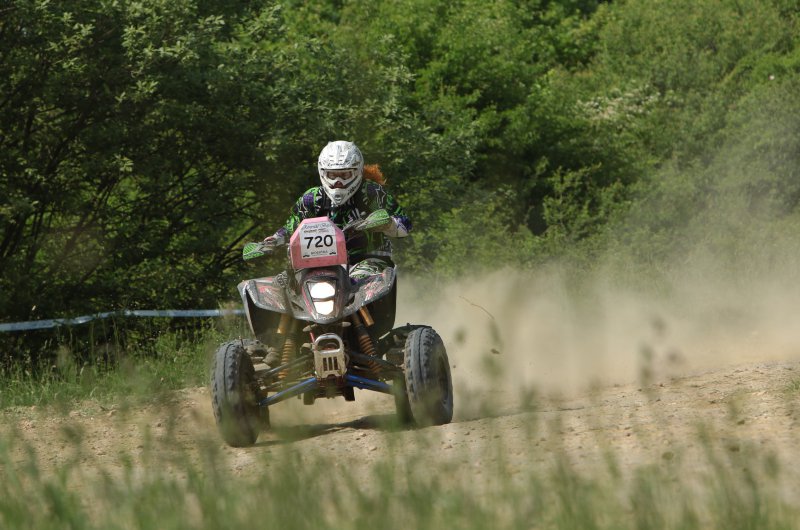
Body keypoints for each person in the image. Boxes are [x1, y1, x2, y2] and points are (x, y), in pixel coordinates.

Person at [263, 140, 411, 282]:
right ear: (323, 173)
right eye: (332, 175)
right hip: (319, 264)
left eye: (345, 175)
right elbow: (293, 226)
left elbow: (404, 223)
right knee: (286, 283)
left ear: (357, 172)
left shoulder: (371, 193)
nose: (338, 182)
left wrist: (388, 224)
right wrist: (275, 239)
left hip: (369, 260)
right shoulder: (312, 198)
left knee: (361, 278)